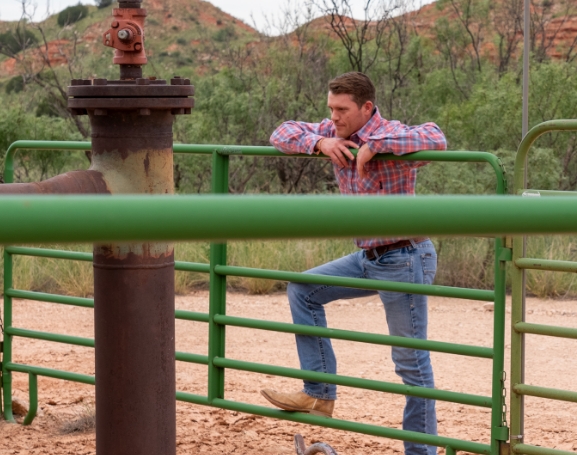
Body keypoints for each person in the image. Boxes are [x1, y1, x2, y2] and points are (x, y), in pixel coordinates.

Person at [260, 72, 447, 455]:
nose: (334, 116)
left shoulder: (390, 132)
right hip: (369, 256)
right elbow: (281, 132)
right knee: (303, 287)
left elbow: (435, 137)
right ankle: (319, 393)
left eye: (342, 110)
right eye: (331, 108)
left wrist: (375, 145)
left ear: (366, 108)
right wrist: (320, 142)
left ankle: (421, 452)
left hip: (405, 256)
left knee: (410, 363)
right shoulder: (333, 132)